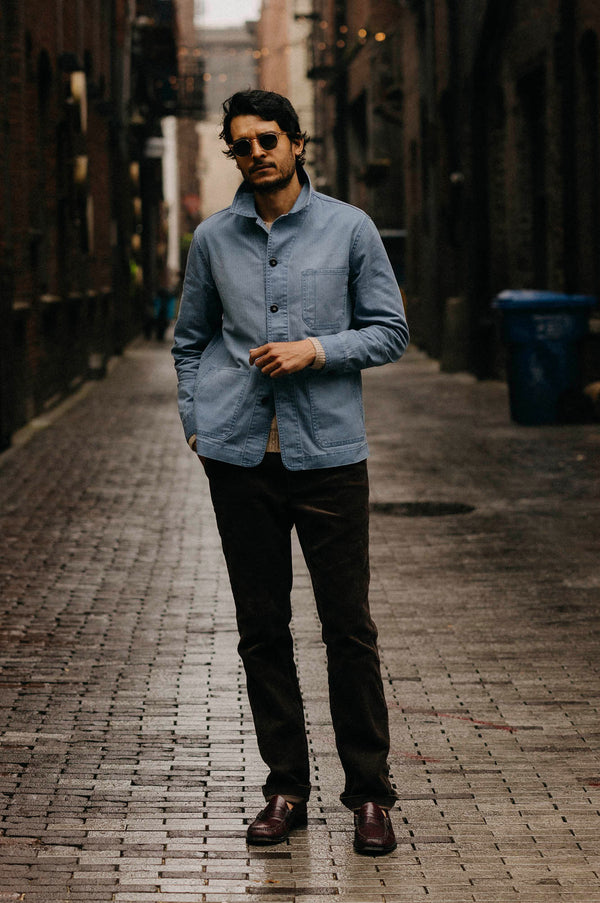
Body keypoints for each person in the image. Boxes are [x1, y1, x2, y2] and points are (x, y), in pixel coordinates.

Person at [172, 89, 409, 855]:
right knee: (261, 629)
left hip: (330, 456)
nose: (256, 153)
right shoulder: (213, 239)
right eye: (240, 144)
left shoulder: (350, 228)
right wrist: (198, 422)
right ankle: (285, 788)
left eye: (268, 138)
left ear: (297, 142)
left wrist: (318, 348)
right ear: (233, 155)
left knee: (348, 628)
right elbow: (189, 339)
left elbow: (390, 330)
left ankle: (369, 794)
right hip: (240, 456)